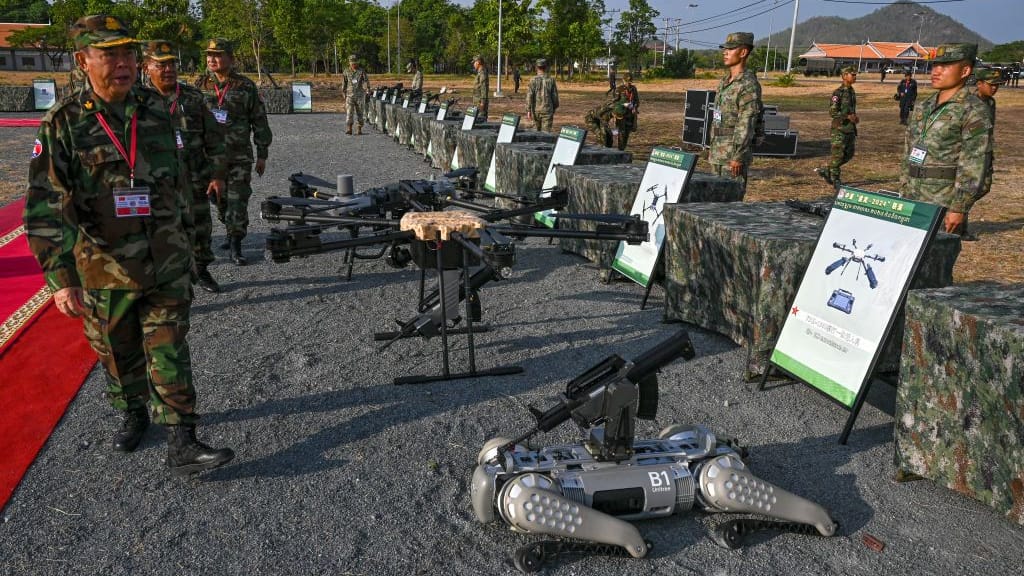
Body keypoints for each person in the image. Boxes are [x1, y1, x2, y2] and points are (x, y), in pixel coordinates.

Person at [24, 15, 234, 475]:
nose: (124, 63)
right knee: (117, 352)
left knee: (171, 345)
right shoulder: (64, 123)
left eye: (127, 53)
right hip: (104, 267)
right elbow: (45, 205)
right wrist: (61, 279)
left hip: (165, 258)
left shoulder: (157, 109)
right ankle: (133, 411)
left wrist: (193, 244)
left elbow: (179, 182)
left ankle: (183, 438)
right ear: (83, 61)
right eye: (110, 54)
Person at [143, 40, 227, 293]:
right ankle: (162, 279)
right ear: (147, 67)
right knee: (159, 231)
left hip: (195, 178)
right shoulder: (138, 101)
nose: (168, 69)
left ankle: (200, 269)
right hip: (156, 184)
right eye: (161, 64)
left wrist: (218, 175)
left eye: (172, 64)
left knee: (200, 226)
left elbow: (214, 138)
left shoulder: (192, 97)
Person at [900, 43, 992, 236]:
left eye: (946, 66)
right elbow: (909, 151)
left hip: (942, 200)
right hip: (912, 194)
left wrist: (959, 207)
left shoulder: (973, 110)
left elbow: (974, 162)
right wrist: (903, 189)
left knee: (934, 259)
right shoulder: (924, 105)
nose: (936, 71)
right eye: (935, 65)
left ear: (965, 70)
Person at [195, 38, 272, 266]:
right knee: (218, 199)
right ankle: (230, 229)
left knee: (238, 198)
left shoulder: (245, 86)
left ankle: (236, 243)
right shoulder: (200, 86)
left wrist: (262, 154)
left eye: (218, 55)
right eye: (209, 55)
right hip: (209, 157)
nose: (212, 59)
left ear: (231, 58)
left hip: (238, 155)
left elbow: (259, 120)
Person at [708, 32, 762, 193]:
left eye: (730, 49)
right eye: (725, 49)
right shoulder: (725, 82)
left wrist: (738, 156)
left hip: (732, 156)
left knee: (729, 201)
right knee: (712, 199)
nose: (725, 52)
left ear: (743, 52)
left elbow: (746, 123)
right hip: (718, 151)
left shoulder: (748, 84)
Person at [966, 66, 1004, 238]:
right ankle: (957, 227)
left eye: (998, 85)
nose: (995, 88)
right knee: (966, 189)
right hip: (970, 154)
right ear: (979, 83)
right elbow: (965, 130)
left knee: (984, 187)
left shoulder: (990, 102)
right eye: (991, 84)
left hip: (985, 151)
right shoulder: (968, 102)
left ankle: (957, 218)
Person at [817, 66, 859, 190]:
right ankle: (835, 179)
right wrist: (847, 117)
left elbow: (851, 110)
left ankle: (827, 169)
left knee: (849, 154)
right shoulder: (838, 93)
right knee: (838, 155)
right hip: (839, 129)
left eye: (855, 75)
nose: (855, 77)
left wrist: (854, 118)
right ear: (845, 76)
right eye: (853, 74)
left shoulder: (851, 91)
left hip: (850, 129)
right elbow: (832, 112)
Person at [526, 58, 559, 132]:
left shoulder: (533, 80)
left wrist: (528, 110)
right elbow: (555, 96)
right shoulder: (551, 80)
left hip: (535, 110)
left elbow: (529, 96)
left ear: (536, 67)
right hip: (547, 110)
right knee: (546, 134)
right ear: (546, 67)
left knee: (535, 133)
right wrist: (554, 108)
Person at [342, 54, 370, 135]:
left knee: (360, 113)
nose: (354, 64)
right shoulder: (346, 71)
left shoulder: (361, 71)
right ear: (349, 63)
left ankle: (359, 129)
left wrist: (367, 89)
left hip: (360, 95)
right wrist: (343, 92)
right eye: (352, 63)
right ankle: (349, 129)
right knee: (349, 113)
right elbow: (344, 82)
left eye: (355, 63)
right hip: (349, 95)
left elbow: (366, 81)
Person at [472, 54, 489, 122]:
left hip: (480, 103)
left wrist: (483, 103)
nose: (473, 64)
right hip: (477, 102)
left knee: (480, 121)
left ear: (478, 62)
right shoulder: (479, 73)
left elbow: (483, 88)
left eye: (474, 62)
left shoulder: (482, 73)